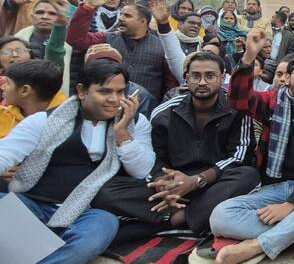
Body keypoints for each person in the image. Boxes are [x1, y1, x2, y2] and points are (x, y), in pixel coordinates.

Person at [0, 60, 154, 264]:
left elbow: (141, 171)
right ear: (82, 91)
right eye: (105, 92)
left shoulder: (135, 123)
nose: (114, 100)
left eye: (120, 92)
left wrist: (122, 133)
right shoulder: (44, 121)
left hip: (87, 211)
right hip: (34, 203)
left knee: (100, 229)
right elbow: (4, 154)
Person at [92, 52, 258, 241]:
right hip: (174, 187)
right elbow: (155, 157)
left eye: (210, 76)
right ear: (187, 78)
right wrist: (164, 183)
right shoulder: (165, 112)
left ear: (222, 78)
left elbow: (239, 156)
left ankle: (174, 219)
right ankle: (192, 214)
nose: (202, 82)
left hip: (213, 184)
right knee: (106, 191)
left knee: (248, 176)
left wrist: (197, 180)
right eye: (196, 76)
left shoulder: (236, 111)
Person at [207, 32, 294, 264]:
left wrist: (291, 204)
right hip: (274, 186)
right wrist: (249, 57)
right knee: (220, 218)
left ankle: (262, 243)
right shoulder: (272, 100)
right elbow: (237, 100)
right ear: (287, 77)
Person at [66, 0, 178, 99]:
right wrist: (88, 7)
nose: (120, 18)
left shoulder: (162, 46)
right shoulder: (107, 38)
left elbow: (170, 82)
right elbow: (76, 40)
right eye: (121, 14)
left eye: (127, 16)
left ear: (142, 21)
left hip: (146, 109)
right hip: (107, 107)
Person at [14, 0, 73, 95]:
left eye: (52, 13)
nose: (45, 16)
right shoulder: (17, 40)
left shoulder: (73, 42)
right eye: (40, 12)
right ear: (32, 17)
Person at [0, 60, 63, 143]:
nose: (2, 87)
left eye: (8, 83)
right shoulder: (2, 115)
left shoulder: (64, 123)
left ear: (24, 91)